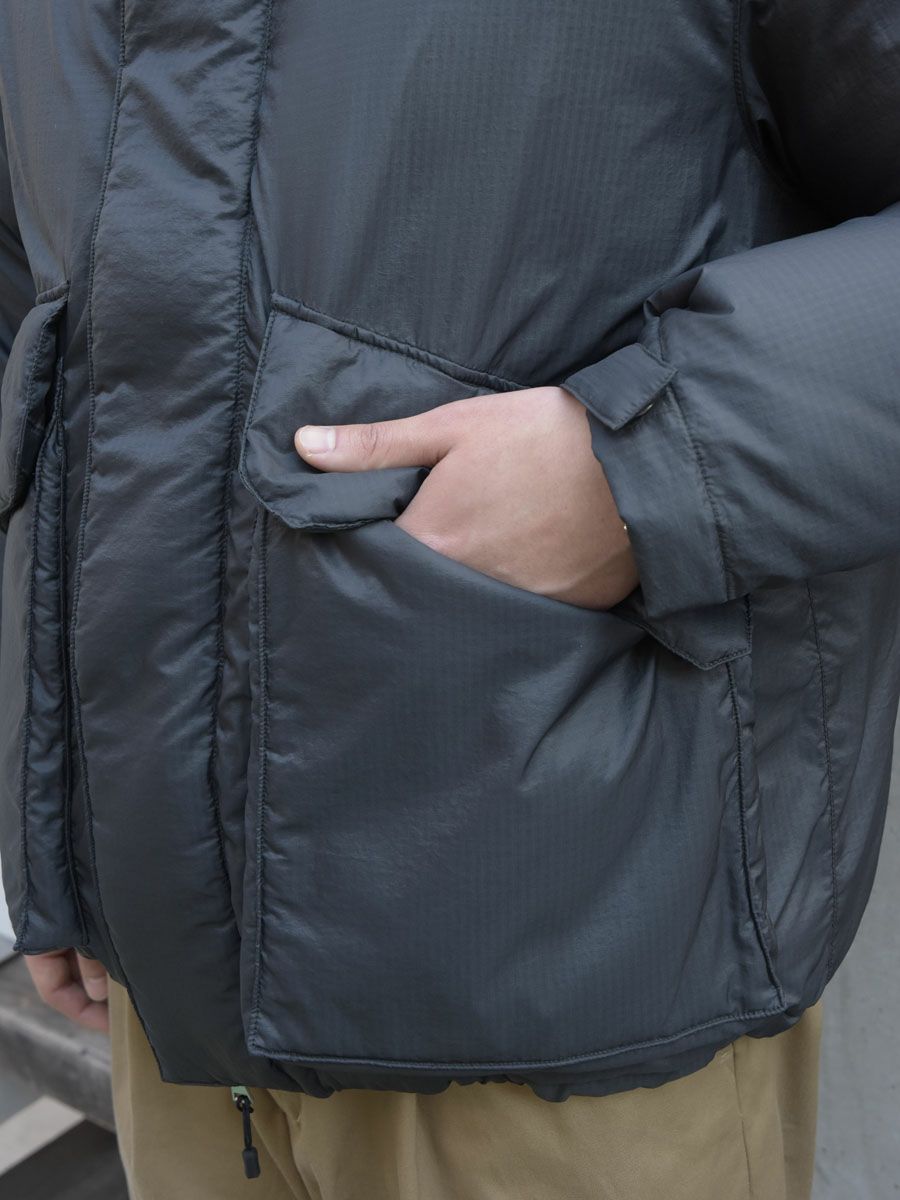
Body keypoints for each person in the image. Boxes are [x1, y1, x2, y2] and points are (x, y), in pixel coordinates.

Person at [2, 2, 898, 1197]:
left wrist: (646, 468)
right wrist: (55, 824)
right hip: (172, 1016)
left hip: (572, 1010)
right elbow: (55, 312)